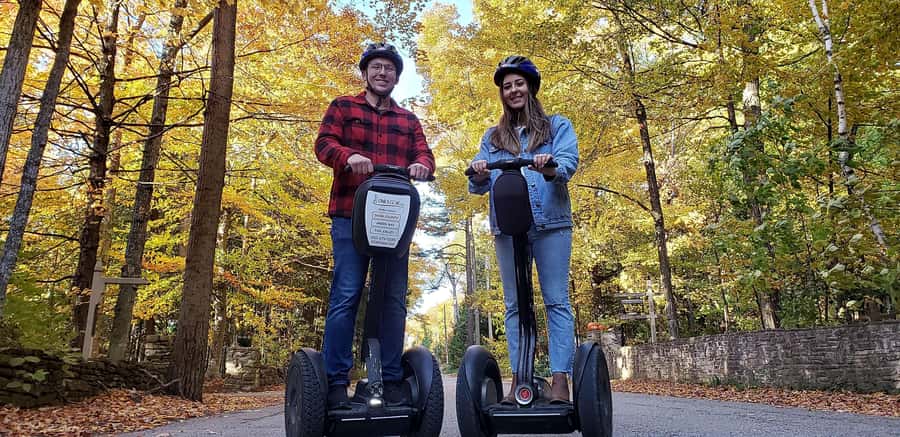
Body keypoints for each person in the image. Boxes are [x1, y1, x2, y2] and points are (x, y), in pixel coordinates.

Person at [314, 42, 435, 409]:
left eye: (390, 69)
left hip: (393, 221)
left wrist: (422, 167)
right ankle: (336, 383)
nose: (383, 74)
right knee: (347, 294)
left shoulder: (408, 120)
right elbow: (323, 144)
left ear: (397, 77)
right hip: (351, 214)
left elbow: (425, 155)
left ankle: (390, 380)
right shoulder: (343, 107)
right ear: (365, 73)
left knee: (394, 299)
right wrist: (347, 155)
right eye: (377, 67)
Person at [468, 55, 579, 404]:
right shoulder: (493, 136)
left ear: (530, 87)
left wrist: (549, 166)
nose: (513, 90)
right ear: (502, 93)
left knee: (556, 301)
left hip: (550, 224)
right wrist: (480, 170)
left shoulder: (556, 126)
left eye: (519, 83)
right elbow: (477, 185)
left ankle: (560, 380)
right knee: (514, 306)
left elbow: (568, 164)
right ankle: (520, 380)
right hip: (508, 227)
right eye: (506, 86)